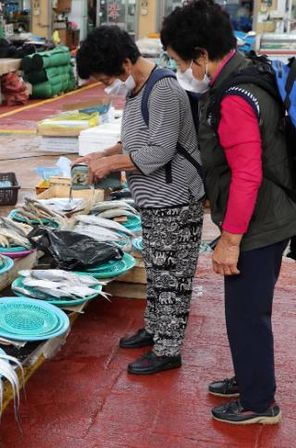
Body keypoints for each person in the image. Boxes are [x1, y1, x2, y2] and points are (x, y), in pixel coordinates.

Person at [161, 0, 296, 425]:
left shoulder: (235, 97)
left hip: (259, 221)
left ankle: (259, 403)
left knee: (246, 313)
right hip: (269, 212)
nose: (182, 70)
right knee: (247, 309)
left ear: (201, 54)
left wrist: (231, 240)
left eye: (181, 61)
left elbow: (248, 175)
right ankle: (250, 377)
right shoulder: (246, 72)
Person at [75, 26, 205, 375]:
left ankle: (168, 349)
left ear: (125, 64)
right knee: (158, 270)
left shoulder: (163, 90)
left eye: (106, 79)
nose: (107, 87)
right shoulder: (137, 88)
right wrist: (103, 154)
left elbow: (159, 151)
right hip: (154, 199)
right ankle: (155, 328)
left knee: (173, 276)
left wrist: (110, 165)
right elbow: (134, 140)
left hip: (175, 199)